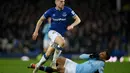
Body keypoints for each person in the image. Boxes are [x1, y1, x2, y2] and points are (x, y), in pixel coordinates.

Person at [32, 0, 81, 73]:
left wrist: (72, 25)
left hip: (59, 36)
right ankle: (54, 62)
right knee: (62, 42)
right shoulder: (51, 11)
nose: (63, 3)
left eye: (64, 1)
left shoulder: (68, 10)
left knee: (47, 54)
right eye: (61, 1)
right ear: (56, 2)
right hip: (52, 32)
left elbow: (78, 19)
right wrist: (36, 31)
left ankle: (36, 67)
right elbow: (40, 20)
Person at [28, 50, 110, 73]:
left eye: (102, 54)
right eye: (101, 52)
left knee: (59, 68)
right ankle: (48, 69)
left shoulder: (101, 64)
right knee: (59, 59)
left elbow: (101, 72)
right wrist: (90, 55)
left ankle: (36, 67)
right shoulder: (94, 58)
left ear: (105, 58)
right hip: (76, 66)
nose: (100, 54)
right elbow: (81, 56)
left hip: (75, 72)